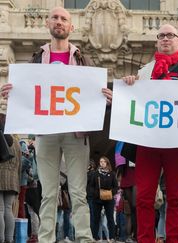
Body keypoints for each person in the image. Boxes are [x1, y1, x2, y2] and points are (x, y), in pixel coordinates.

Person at [0, 7, 112, 242]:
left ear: (72, 27)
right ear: (48, 23)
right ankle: (46, 239)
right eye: (55, 18)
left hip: (76, 133)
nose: (59, 22)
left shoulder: (83, 60)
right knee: (49, 193)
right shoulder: (36, 59)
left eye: (64, 19)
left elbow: (93, 96)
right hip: (46, 133)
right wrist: (13, 93)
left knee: (78, 193)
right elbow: (27, 95)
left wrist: (107, 98)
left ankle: (84, 238)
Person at [122, 24, 178, 242]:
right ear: (157, 41)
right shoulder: (144, 72)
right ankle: (146, 239)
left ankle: (174, 239)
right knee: (145, 197)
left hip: (177, 145)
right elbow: (134, 103)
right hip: (148, 144)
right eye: (162, 36)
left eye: (170, 35)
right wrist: (129, 84)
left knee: (176, 197)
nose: (166, 39)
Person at [0, 106, 21, 243]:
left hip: (0, 177)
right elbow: (20, 164)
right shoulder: (17, 142)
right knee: (8, 209)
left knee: (0, 210)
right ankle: (9, 239)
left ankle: (1, 239)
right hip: (13, 180)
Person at [88, 156, 118, 242]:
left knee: (110, 218)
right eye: (101, 161)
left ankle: (112, 237)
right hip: (97, 199)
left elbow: (116, 187)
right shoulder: (95, 173)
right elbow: (91, 186)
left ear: (107, 163)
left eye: (104, 161)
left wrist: (110, 193)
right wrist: (96, 193)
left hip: (109, 199)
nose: (102, 163)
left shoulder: (112, 174)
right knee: (96, 218)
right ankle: (95, 237)